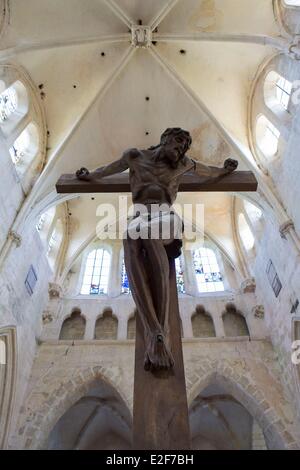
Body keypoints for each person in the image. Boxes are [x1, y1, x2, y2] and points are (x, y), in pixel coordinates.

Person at [76, 128, 238, 371]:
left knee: (148, 233)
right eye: (178, 143)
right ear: (164, 140)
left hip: (165, 214)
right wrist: (88, 176)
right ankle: (155, 331)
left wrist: (225, 170)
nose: (181, 150)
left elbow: (208, 172)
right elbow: (106, 171)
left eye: (184, 147)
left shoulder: (183, 164)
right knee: (130, 236)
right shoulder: (135, 157)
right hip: (140, 213)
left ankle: (160, 328)